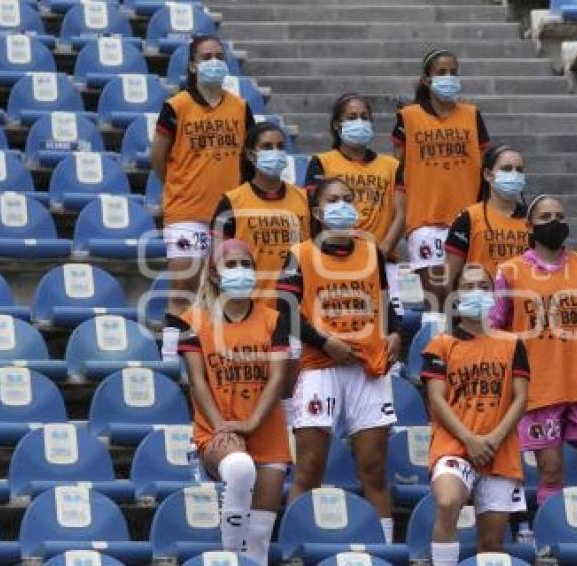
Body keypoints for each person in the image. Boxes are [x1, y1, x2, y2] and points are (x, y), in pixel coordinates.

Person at [278, 177, 401, 543]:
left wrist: (396, 332)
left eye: (348, 198)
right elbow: (285, 311)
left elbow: (386, 302)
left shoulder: (371, 251)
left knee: (374, 470)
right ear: (317, 211)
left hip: (368, 369)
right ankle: (294, 544)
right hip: (321, 366)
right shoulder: (300, 254)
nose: (343, 205)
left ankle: (384, 549)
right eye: (333, 200)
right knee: (310, 470)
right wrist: (325, 341)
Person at [491, 195, 577, 508]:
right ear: (529, 225)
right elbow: (495, 330)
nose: (554, 222)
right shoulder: (509, 272)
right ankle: (549, 537)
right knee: (550, 473)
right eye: (546, 216)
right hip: (539, 389)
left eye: (560, 216)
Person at [168, 239, 291, 566]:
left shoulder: (274, 319)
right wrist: (223, 426)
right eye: (231, 265)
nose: (241, 272)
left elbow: (278, 379)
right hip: (217, 428)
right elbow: (198, 381)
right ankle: (228, 560)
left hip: (267, 429)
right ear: (214, 274)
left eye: (246, 265)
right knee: (239, 468)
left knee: (260, 538)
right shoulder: (191, 320)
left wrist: (251, 424)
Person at [151, 35, 255, 359]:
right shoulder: (177, 106)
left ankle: (210, 352)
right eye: (206, 56)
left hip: (226, 213)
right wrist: (177, 184)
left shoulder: (240, 107)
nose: (214, 61)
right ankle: (171, 355)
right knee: (184, 279)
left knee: (219, 287)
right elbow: (158, 155)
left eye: (219, 55)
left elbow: (250, 156)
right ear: (194, 65)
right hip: (185, 209)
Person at [421, 263, 529, 566]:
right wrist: (470, 440)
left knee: (492, 542)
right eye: (468, 287)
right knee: (447, 502)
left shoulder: (513, 343)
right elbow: (436, 400)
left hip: (500, 449)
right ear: (455, 295)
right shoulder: (441, 344)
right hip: (454, 445)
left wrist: (492, 439)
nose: (477, 292)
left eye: (484, 286)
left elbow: (521, 398)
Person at [392, 48, 490, 308]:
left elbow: (486, 165)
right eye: (442, 72)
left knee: (471, 300)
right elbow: (400, 166)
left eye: (454, 72)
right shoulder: (408, 117)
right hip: (426, 219)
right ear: (426, 79)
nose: (449, 77)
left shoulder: (472, 114)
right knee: (438, 304)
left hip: (469, 218)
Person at [213, 121, 310, 306]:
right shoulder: (232, 201)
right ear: (251, 154)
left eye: (280, 147)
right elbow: (217, 260)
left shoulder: (305, 199)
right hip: (251, 308)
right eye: (267, 146)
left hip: (298, 309)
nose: (275, 151)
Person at [305, 93, 404, 257]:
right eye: (352, 117)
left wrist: (383, 251)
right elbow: (314, 212)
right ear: (337, 124)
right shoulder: (321, 162)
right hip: (334, 255)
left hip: (381, 257)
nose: (359, 122)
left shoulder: (392, 166)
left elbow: (402, 214)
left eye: (364, 117)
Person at [444, 144, 530, 295]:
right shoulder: (468, 218)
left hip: (523, 308)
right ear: (488, 175)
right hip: (481, 309)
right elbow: (450, 279)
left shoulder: (532, 219)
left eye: (519, 170)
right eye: (507, 169)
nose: (514, 174)